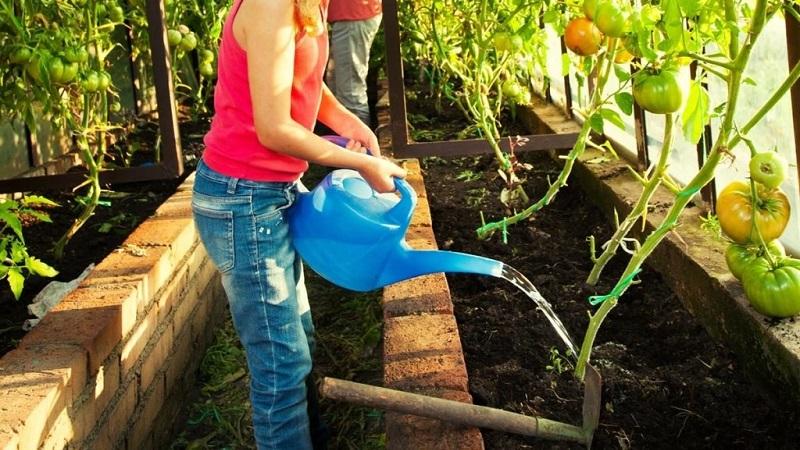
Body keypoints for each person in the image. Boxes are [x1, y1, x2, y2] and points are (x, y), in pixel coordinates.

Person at [190, 0, 407, 448]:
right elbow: (273, 129)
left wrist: (347, 120)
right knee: (280, 363)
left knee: (297, 340)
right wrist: (359, 164)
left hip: (270, 190)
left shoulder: (309, 2)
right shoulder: (271, 6)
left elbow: (297, 79)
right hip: (242, 200)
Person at [327, 0, 382, 126]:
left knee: (350, 94)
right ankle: (348, 142)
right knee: (337, 87)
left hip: (352, 15)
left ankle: (360, 143)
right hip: (351, 16)